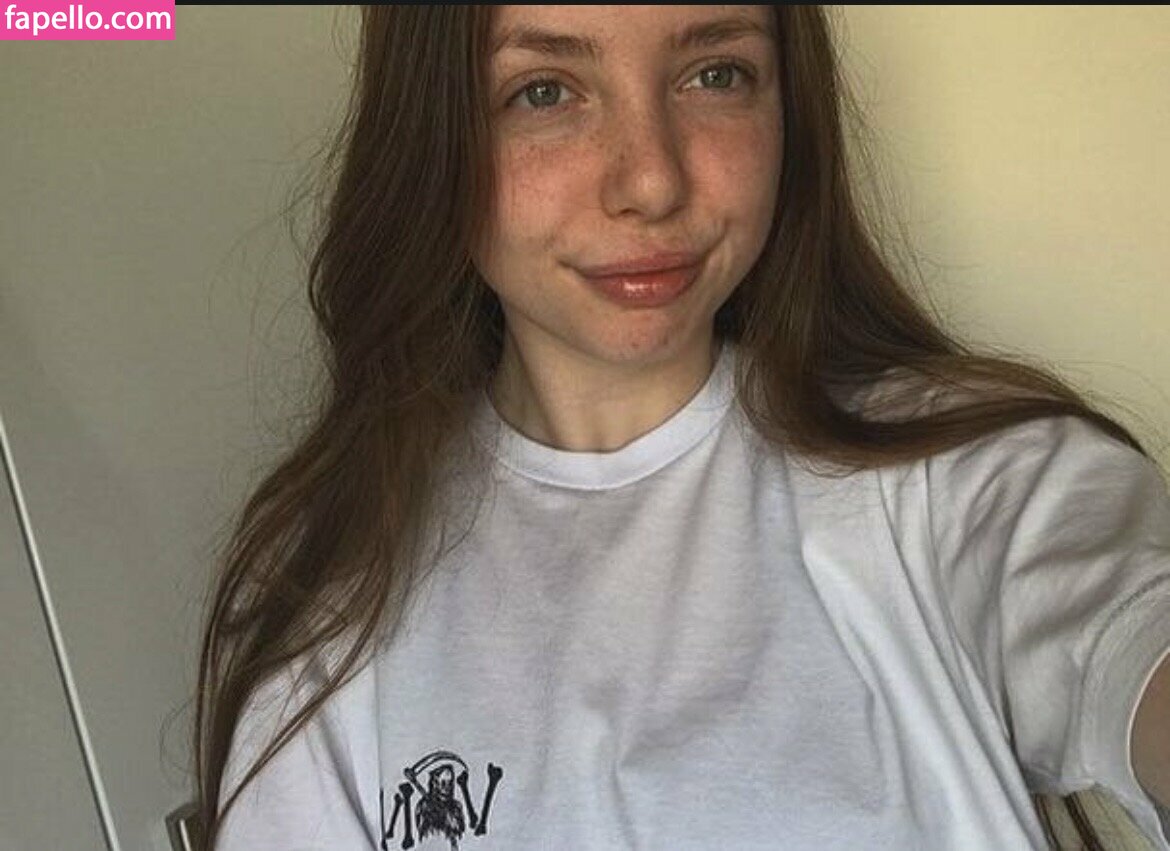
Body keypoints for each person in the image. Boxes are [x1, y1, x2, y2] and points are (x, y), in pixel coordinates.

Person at [193, 6, 1170, 850]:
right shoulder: (330, 581)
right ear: (432, 131)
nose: (653, 180)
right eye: (544, 91)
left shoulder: (965, 474)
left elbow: (1122, 623)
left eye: (716, 74)